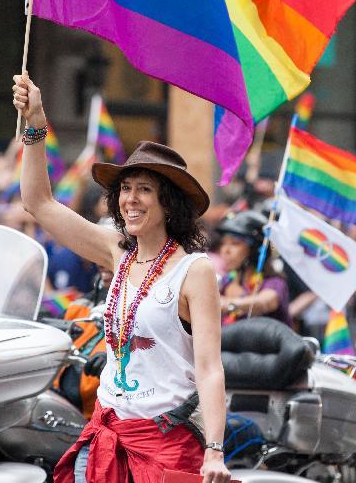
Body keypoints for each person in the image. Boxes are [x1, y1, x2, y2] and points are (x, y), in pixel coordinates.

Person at [14, 73, 230, 483]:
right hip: (104, 438)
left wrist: (215, 452)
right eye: (125, 188)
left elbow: (209, 368)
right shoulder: (116, 250)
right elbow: (37, 202)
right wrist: (36, 122)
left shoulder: (194, 270)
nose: (130, 199)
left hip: (167, 448)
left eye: (144, 189)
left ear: (168, 204)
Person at [215, 210, 291, 327]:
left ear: (255, 249)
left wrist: (227, 304)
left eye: (234, 243)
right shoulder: (225, 281)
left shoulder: (274, 282)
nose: (225, 251)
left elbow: (266, 302)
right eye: (223, 244)